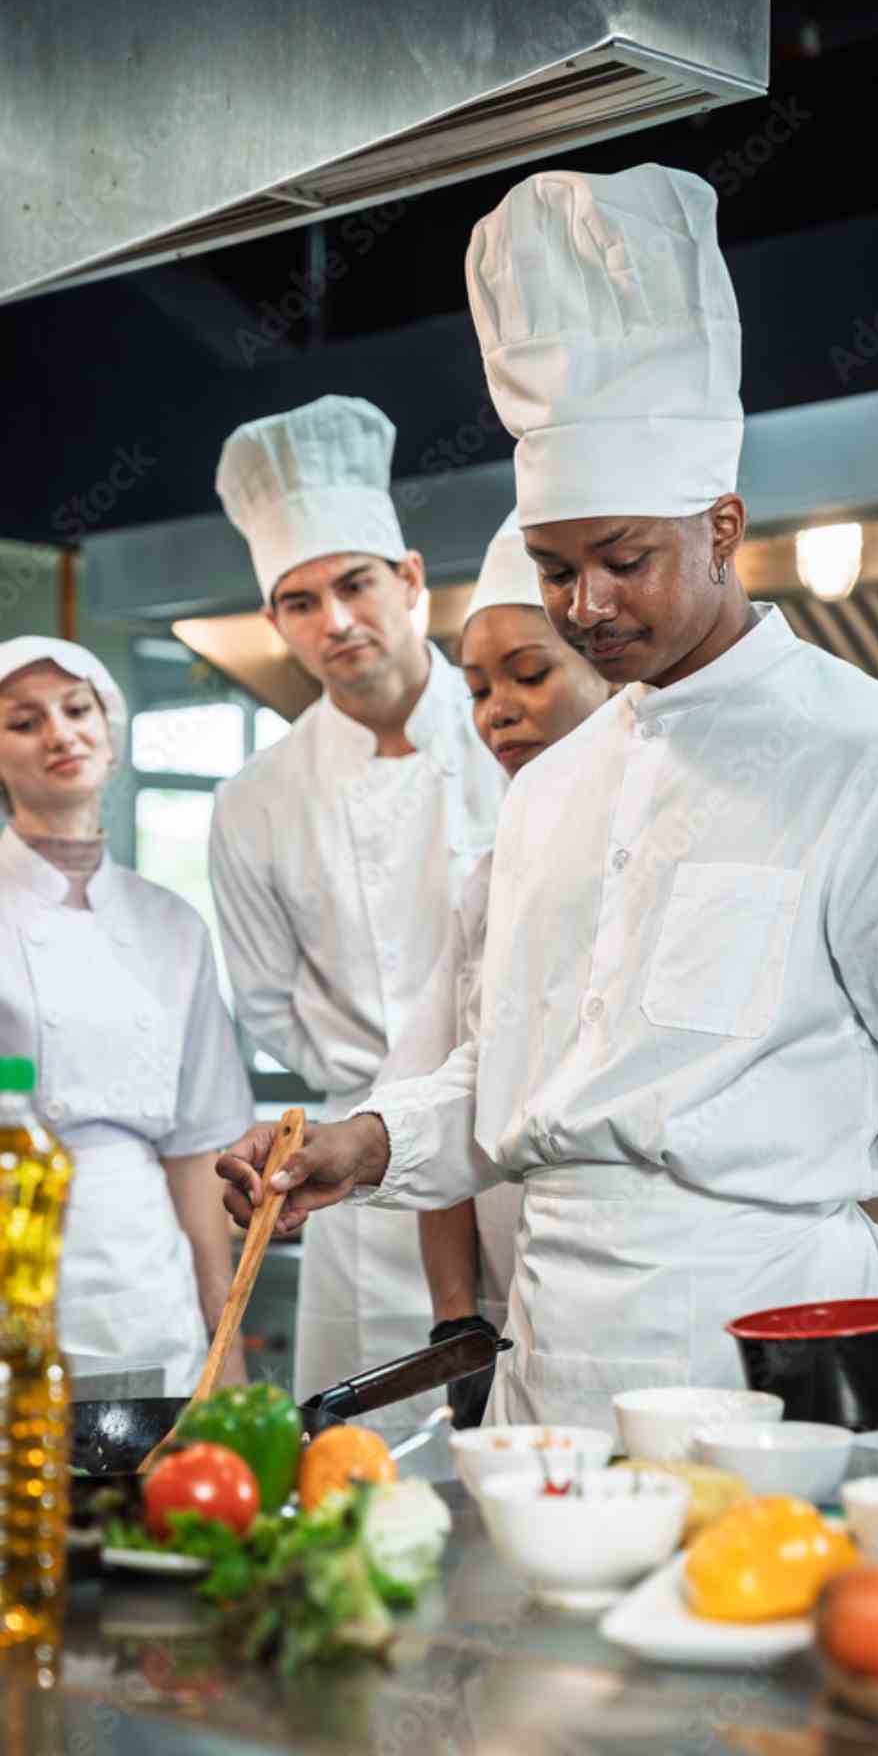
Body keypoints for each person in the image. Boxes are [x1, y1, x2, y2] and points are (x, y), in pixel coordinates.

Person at [219, 168, 878, 1452]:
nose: (585, 605)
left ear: (721, 526)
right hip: (558, 1370)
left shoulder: (875, 756)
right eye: (554, 570)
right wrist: (366, 1143)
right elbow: (508, 1070)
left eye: (622, 562)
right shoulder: (551, 794)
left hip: (775, 1349)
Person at [210, 395, 506, 1424]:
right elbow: (266, 1000)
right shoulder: (255, 800)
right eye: (299, 601)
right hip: (353, 1194)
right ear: (275, 623)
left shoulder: (512, 736)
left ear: (412, 579)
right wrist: (374, 1090)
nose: (333, 621)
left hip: (515, 1172)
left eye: (354, 584)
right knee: (359, 1483)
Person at [373, 511, 611, 1424]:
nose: (496, 711)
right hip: (519, 1316)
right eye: (476, 688)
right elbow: (448, 1094)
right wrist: (453, 1323)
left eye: (529, 673)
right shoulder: (489, 885)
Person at [0, 636, 251, 1391]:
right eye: (24, 720)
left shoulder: (173, 925)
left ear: (109, 734)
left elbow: (198, 1146)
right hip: (18, 1251)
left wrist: (225, 1340)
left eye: (78, 710)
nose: (60, 733)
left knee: (155, 1496)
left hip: (147, 1271)